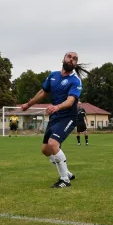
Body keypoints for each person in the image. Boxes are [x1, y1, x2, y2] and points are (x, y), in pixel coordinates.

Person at [21, 52, 89, 188]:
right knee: (45, 150)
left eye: (75, 59)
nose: (72, 59)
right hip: (55, 117)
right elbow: (43, 92)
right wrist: (28, 104)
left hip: (68, 117)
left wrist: (56, 107)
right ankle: (67, 172)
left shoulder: (75, 81)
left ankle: (65, 180)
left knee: (53, 144)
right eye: (69, 57)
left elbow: (70, 101)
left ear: (76, 64)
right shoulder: (53, 75)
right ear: (63, 59)